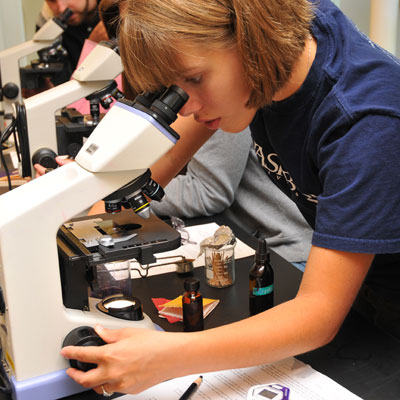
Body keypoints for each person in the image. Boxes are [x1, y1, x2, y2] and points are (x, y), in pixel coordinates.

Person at [58, 0, 400, 396]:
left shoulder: (363, 123)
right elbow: (169, 155)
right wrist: (93, 219)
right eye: (175, 89)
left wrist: (163, 356)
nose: (187, 106)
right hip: (365, 278)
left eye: (195, 80)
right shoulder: (280, 38)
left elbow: (318, 315)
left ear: (250, 40)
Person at [150, 127, 313, 265]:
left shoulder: (219, 104)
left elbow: (206, 192)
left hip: (285, 251)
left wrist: (132, 196)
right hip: (255, 239)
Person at [34, 0, 108, 86]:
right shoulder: (47, 23)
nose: (62, 9)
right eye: (52, 1)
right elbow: (62, 87)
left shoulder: (120, 8)